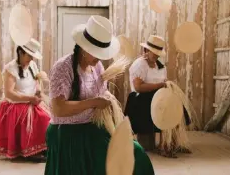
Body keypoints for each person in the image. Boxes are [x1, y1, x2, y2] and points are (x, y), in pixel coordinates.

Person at [44, 15, 155, 175]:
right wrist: (94, 102)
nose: (101, 58)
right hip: (67, 133)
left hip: (92, 127)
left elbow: (100, 92)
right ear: (84, 48)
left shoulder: (97, 67)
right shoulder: (63, 68)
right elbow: (58, 109)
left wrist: (107, 98)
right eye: (97, 53)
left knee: (134, 153)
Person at [124, 35, 192, 158]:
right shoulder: (139, 65)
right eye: (153, 53)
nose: (156, 56)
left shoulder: (160, 66)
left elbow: (163, 82)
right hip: (141, 98)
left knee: (175, 105)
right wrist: (160, 85)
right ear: (146, 51)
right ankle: (164, 145)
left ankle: (171, 143)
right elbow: (138, 87)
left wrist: (166, 87)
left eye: (157, 53)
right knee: (163, 107)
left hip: (157, 96)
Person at [0, 38, 50, 162]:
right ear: (21, 52)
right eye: (29, 56)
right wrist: (29, 98)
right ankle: (30, 150)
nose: (31, 59)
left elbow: (36, 83)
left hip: (31, 101)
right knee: (42, 118)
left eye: (33, 56)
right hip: (16, 104)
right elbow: (9, 93)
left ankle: (41, 148)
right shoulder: (11, 68)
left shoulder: (32, 65)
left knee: (48, 118)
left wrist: (38, 92)